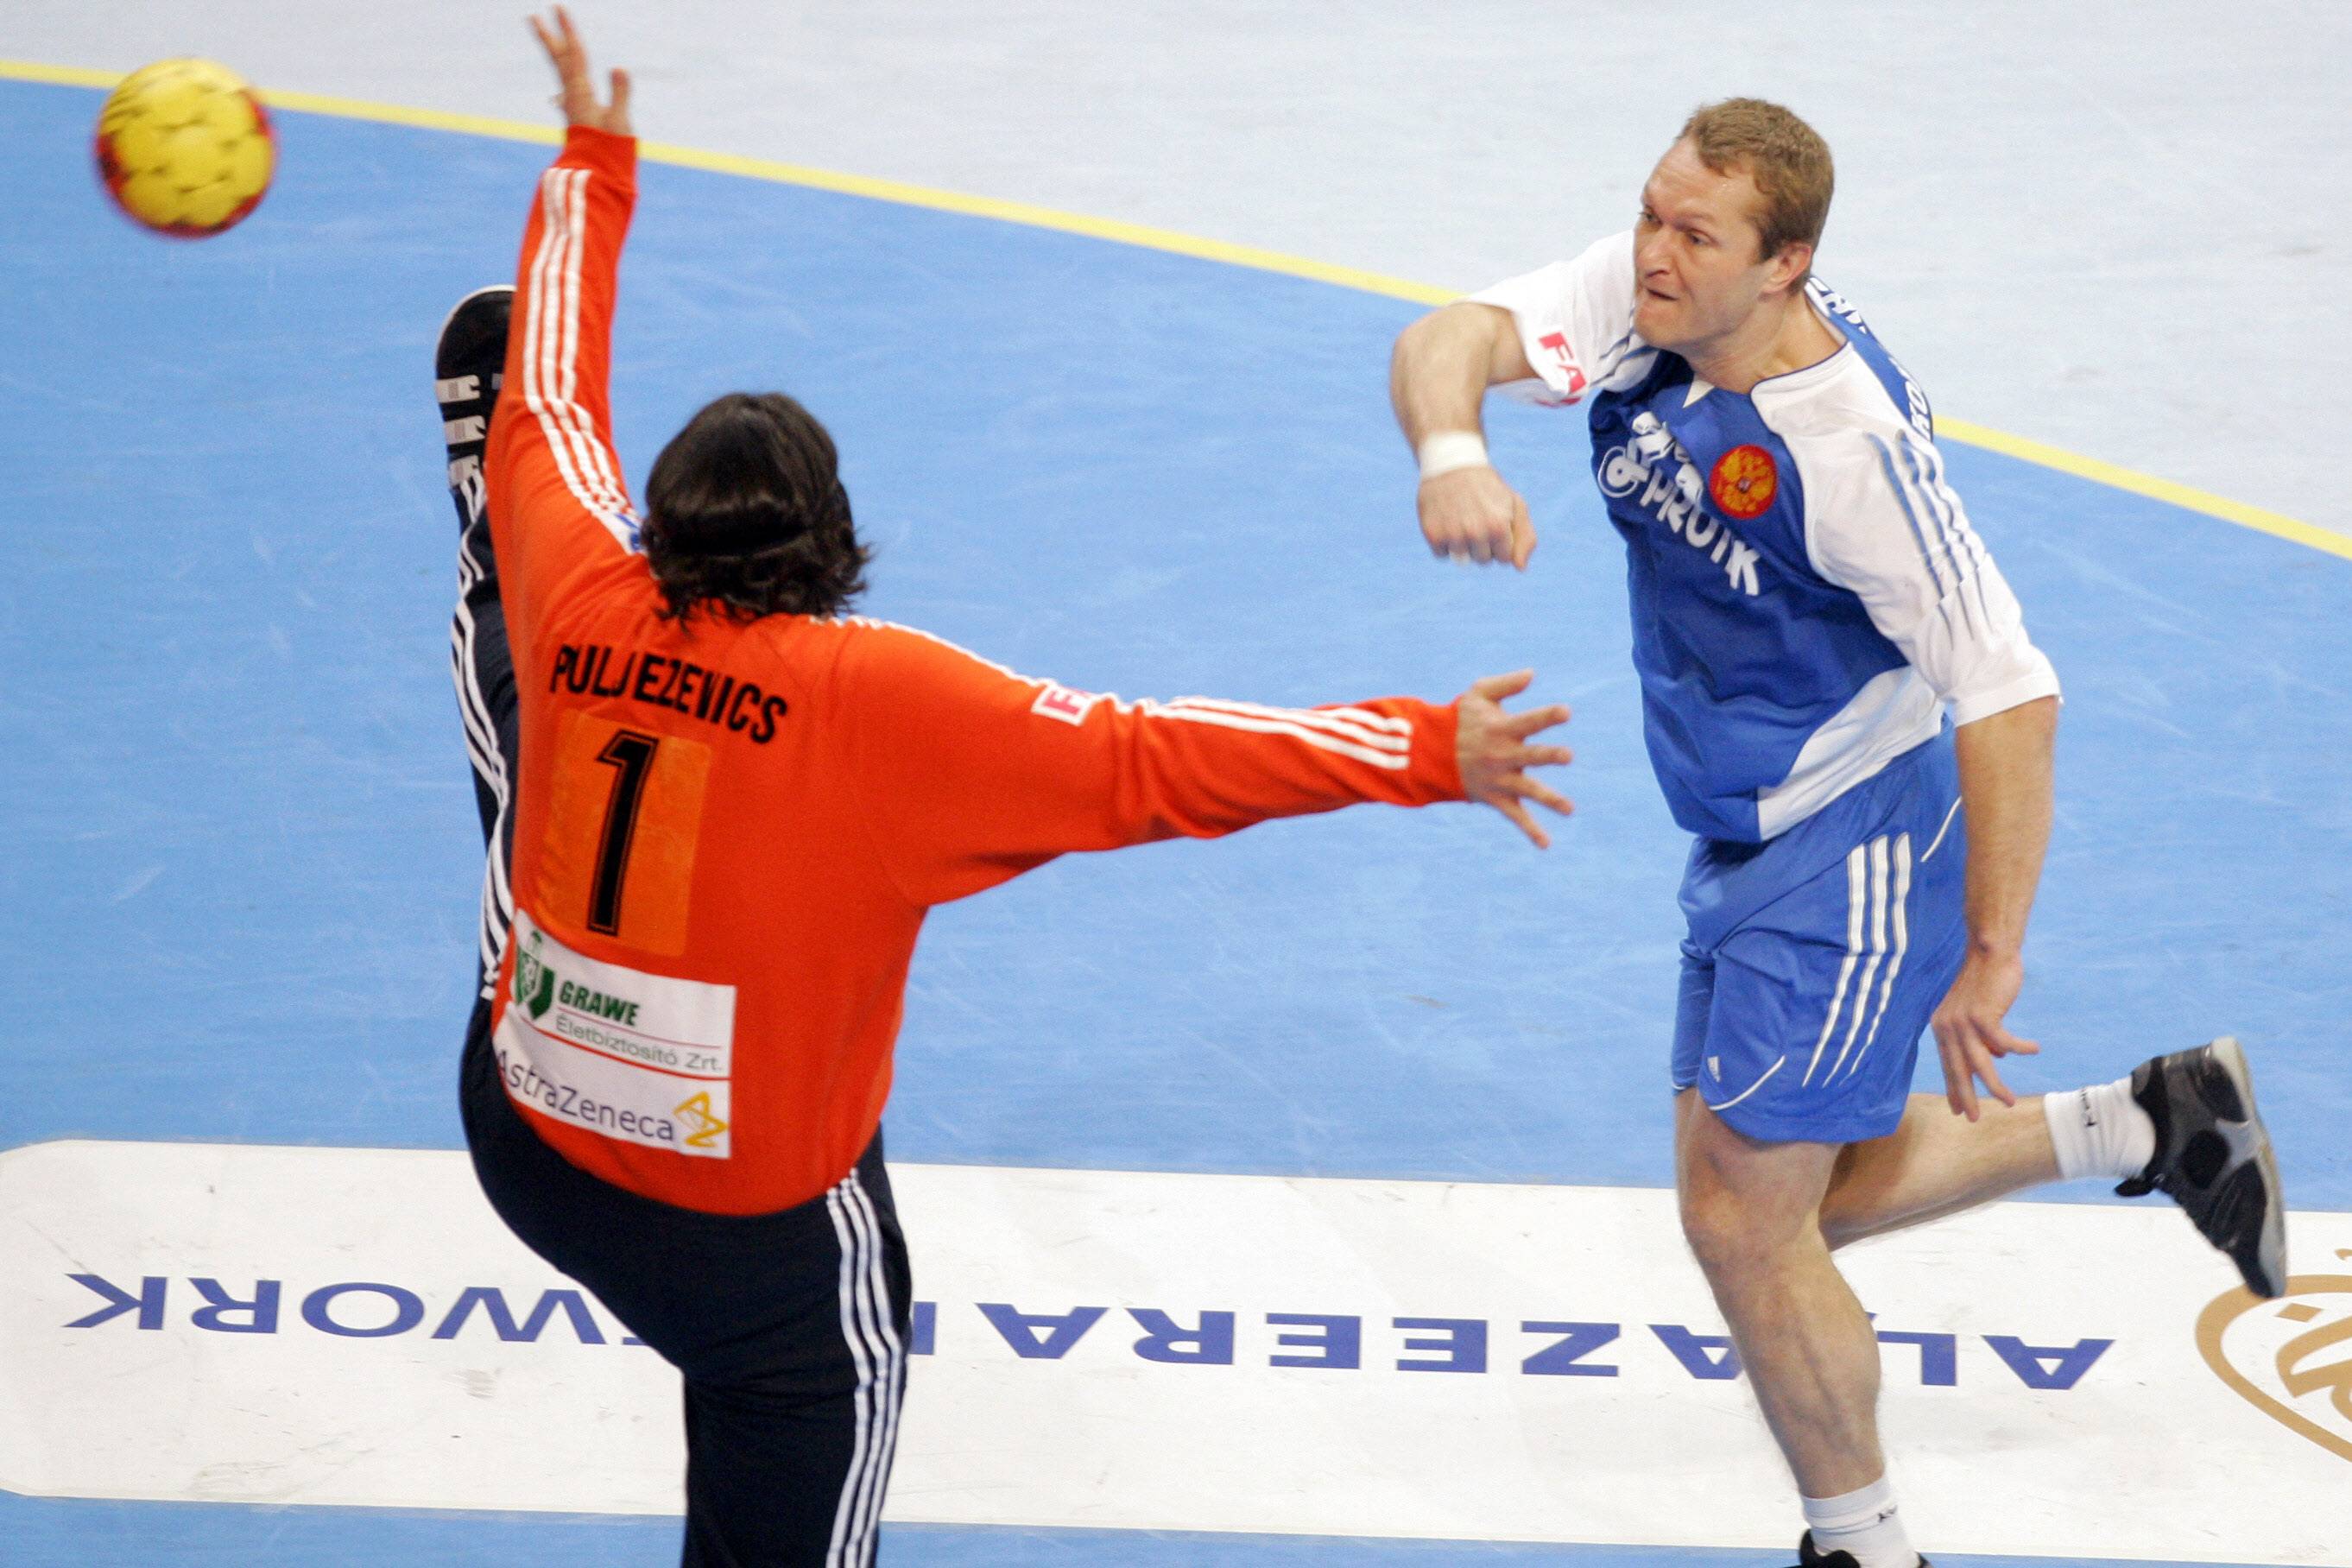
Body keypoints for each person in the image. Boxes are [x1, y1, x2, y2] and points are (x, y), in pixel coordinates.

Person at [433, 12, 1573, 1565]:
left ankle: (480, 558)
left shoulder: (588, 571)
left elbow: (548, 389)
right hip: (741, 1223)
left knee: (529, 696)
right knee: (831, 1360)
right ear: (832, 549)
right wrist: (1427, 748)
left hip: (528, 1133)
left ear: (661, 528)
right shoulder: (883, 704)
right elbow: (1157, 759)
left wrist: (592, 158)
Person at [1388, 98, 2286, 1568]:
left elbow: (2012, 691)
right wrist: (1447, 448)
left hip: (1847, 841)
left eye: (1697, 234)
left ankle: (1864, 1545)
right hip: (1740, 828)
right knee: (1780, 1195)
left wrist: (1991, 955)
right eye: (1651, 215)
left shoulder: (1852, 453)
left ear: (1785, 264)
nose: (1654, 253)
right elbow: (1450, 336)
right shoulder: (1651, 296)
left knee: (1746, 1227)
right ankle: (2157, 1117)